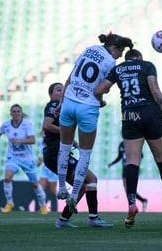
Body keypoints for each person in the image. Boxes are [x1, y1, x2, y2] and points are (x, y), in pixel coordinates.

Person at [95, 49, 162, 228]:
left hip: (130, 116)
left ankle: (132, 203)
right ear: (140, 58)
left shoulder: (118, 69)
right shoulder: (147, 66)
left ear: (127, 59)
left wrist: (101, 100)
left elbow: (99, 90)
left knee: (132, 162)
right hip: (150, 113)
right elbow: (155, 90)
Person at [56, 32, 134, 214]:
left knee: (64, 147)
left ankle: (61, 187)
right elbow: (100, 90)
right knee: (84, 153)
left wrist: (61, 103)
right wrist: (101, 100)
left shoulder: (89, 49)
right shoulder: (110, 63)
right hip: (87, 108)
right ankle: (74, 195)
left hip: (68, 101)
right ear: (115, 48)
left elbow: (70, 78)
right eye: (120, 53)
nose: (119, 56)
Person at [42, 82, 113, 227]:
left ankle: (64, 219)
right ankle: (92, 217)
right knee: (90, 179)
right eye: (58, 90)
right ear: (51, 94)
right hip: (55, 154)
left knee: (83, 185)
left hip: (57, 154)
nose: (61, 92)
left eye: (63, 90)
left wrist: (73, 142)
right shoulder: (53, 105)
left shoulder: (65, 106)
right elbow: (47, 125)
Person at [0, 104, 47, 215]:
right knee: (7, 178)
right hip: (13, 157)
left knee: (35, 184)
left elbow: (32, 140)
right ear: (11, 113)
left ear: (21, 113)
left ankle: (43, 205)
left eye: (18, 111)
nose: (16, 113)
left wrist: (19, 140)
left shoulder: (27, 124)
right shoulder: (6, 125)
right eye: (14, 111)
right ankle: (9, 203)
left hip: (27, 158)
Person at [108, 140, 148, 212]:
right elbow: (119, 156)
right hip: (124, 169)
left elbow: (141, 155)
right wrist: (112, 163)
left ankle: (132, 206)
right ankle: (140, 201)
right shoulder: (121, 144)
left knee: (129, 188)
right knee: (127, 190)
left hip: (132, 167)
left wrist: (133, 161)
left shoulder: (132, 142)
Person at [37, 131, 58, 212]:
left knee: (52, 192)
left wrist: (46, 158)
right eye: (42, 133)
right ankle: (43, 207)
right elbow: (41, 155)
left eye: (44, 133)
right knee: (41, 188)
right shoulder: (40, 143)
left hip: (53, 168)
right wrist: (39, 162)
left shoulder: (54, 142)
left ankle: (54, 208)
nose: (43, 135)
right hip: (45, 169)